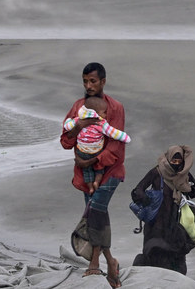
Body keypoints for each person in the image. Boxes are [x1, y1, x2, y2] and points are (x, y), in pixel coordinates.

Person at [61, 62, 125, 288]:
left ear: (103, 82)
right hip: (85, 173)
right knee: (95, 214)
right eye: (85, 81)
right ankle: (111, 262)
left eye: (93, 81)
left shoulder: (115, 108)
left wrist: (91, 160)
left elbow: (116, 147)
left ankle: (95, 262)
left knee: (96, 212)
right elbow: (65, 142)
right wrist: (79, 126)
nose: (88, 86)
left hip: (111, 171)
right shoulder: (78, 108)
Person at [130, 145, 195, 275]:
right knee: (154, 250)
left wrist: (194, 190)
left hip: (174, 221)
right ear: (168, 159)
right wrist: (147, 200)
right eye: (173, 161)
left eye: (179, 162)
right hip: (156, 222)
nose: (176, 164)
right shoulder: (157, 172)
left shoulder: (184, 174)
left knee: (175, 252)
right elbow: (138, 190)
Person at [63, 96, 131, 195]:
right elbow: (113, 132)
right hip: (95, 151)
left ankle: (90, 187)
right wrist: (125, 138)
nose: (105, 114)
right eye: (104, 112)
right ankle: (97, 182)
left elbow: (67, 126)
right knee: (99, 168)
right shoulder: (100, 123)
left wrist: (69, 120)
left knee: (87, 170)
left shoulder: (79, 120)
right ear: (96, 113)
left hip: (81, 151)